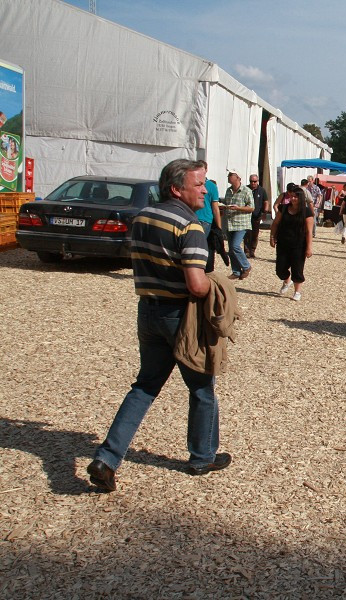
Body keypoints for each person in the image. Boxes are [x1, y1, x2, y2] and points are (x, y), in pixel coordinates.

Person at [86, 159, 231, 492]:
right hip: (180, 317)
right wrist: (220, 287)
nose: (205, 191)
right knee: (201, 388)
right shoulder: (190, 226)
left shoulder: (142, 217)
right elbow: (196, 285)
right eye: (199, 185)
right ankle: (202, 457)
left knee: (145, 387)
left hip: (148, 312)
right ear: (176, 188)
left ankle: (107, 459)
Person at [270, 185, 314, 301]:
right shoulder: (283, 208)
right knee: (280, 269)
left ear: (301, 198)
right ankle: (286, 280)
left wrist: (309, 247)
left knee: (297, 268)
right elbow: (275, 223)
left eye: (296, 197)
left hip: (299, 244)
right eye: (292, 196)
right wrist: (272, 237)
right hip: (283, 243)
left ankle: (297, 291)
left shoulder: (307, 211)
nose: (293, 199)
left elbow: (309, 231)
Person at [222, 172, 254, 280]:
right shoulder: (228, 190)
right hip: (230, 223)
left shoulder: (246, 191)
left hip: (241, 223)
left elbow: (251, 207)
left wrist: (238, 208)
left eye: (231, 176)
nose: (229, 177)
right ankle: (236, 271)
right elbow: (227, 203)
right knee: (231, 249)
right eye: (228, 176)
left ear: (238, 178)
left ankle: (246, 266)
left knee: (235, 246)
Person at [195, 161, 221, 273]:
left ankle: (200, 269)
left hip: (205, 220)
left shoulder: (211, 186)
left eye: (202, 169)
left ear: (206, 170)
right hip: (192, 218)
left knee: (199, 245)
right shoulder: (192, 183)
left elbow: (215, 208)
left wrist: (219, 227)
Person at [244, 174, 268, 258]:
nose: (253, 183)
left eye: (254, 181)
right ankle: (246, 250)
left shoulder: (262, 190)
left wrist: (265, 212)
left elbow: (266, 201)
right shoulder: (245, 189)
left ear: (257, 181)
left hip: (256, 215)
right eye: (251, 181)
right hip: (246, 215)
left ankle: (252, 250)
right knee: (247, 233)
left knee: (255, 234)